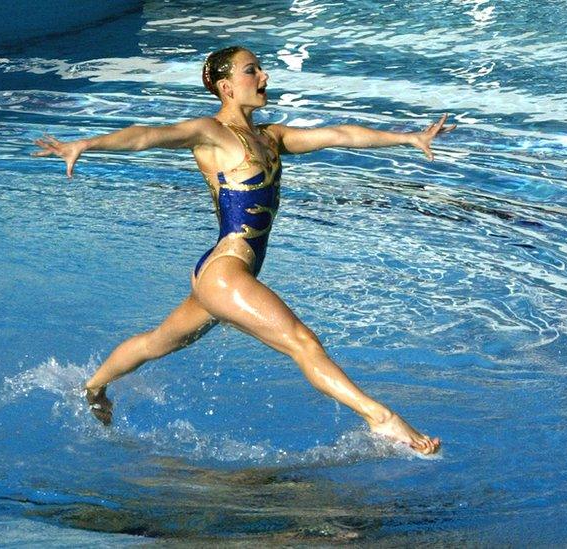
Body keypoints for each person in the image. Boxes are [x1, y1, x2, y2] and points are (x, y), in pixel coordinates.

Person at [32, 45, 453, 455]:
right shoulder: (210, 133)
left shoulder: (272, 138)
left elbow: (340, 135)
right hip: (226, 271)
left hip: (223, 271)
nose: (263, 76)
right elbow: (146, 137)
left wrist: (407, 138)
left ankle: (92, 386)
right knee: (301, 341)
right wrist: (85, 145)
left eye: (261, 69)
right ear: (226, 86)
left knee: (158, 342)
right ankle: (380, 418)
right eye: (251, 70)